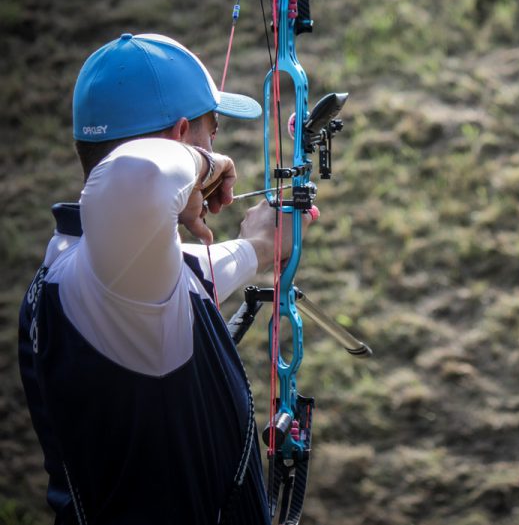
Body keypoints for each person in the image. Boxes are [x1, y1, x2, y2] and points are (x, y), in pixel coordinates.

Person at [18, 33, 310, 524]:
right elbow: (140, 177)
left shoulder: (91, 267)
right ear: (179, 137)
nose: (215, 148)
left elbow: (190, 277)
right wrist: (207, 165)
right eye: (211, 133)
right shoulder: (108, 280)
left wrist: (258, 246)